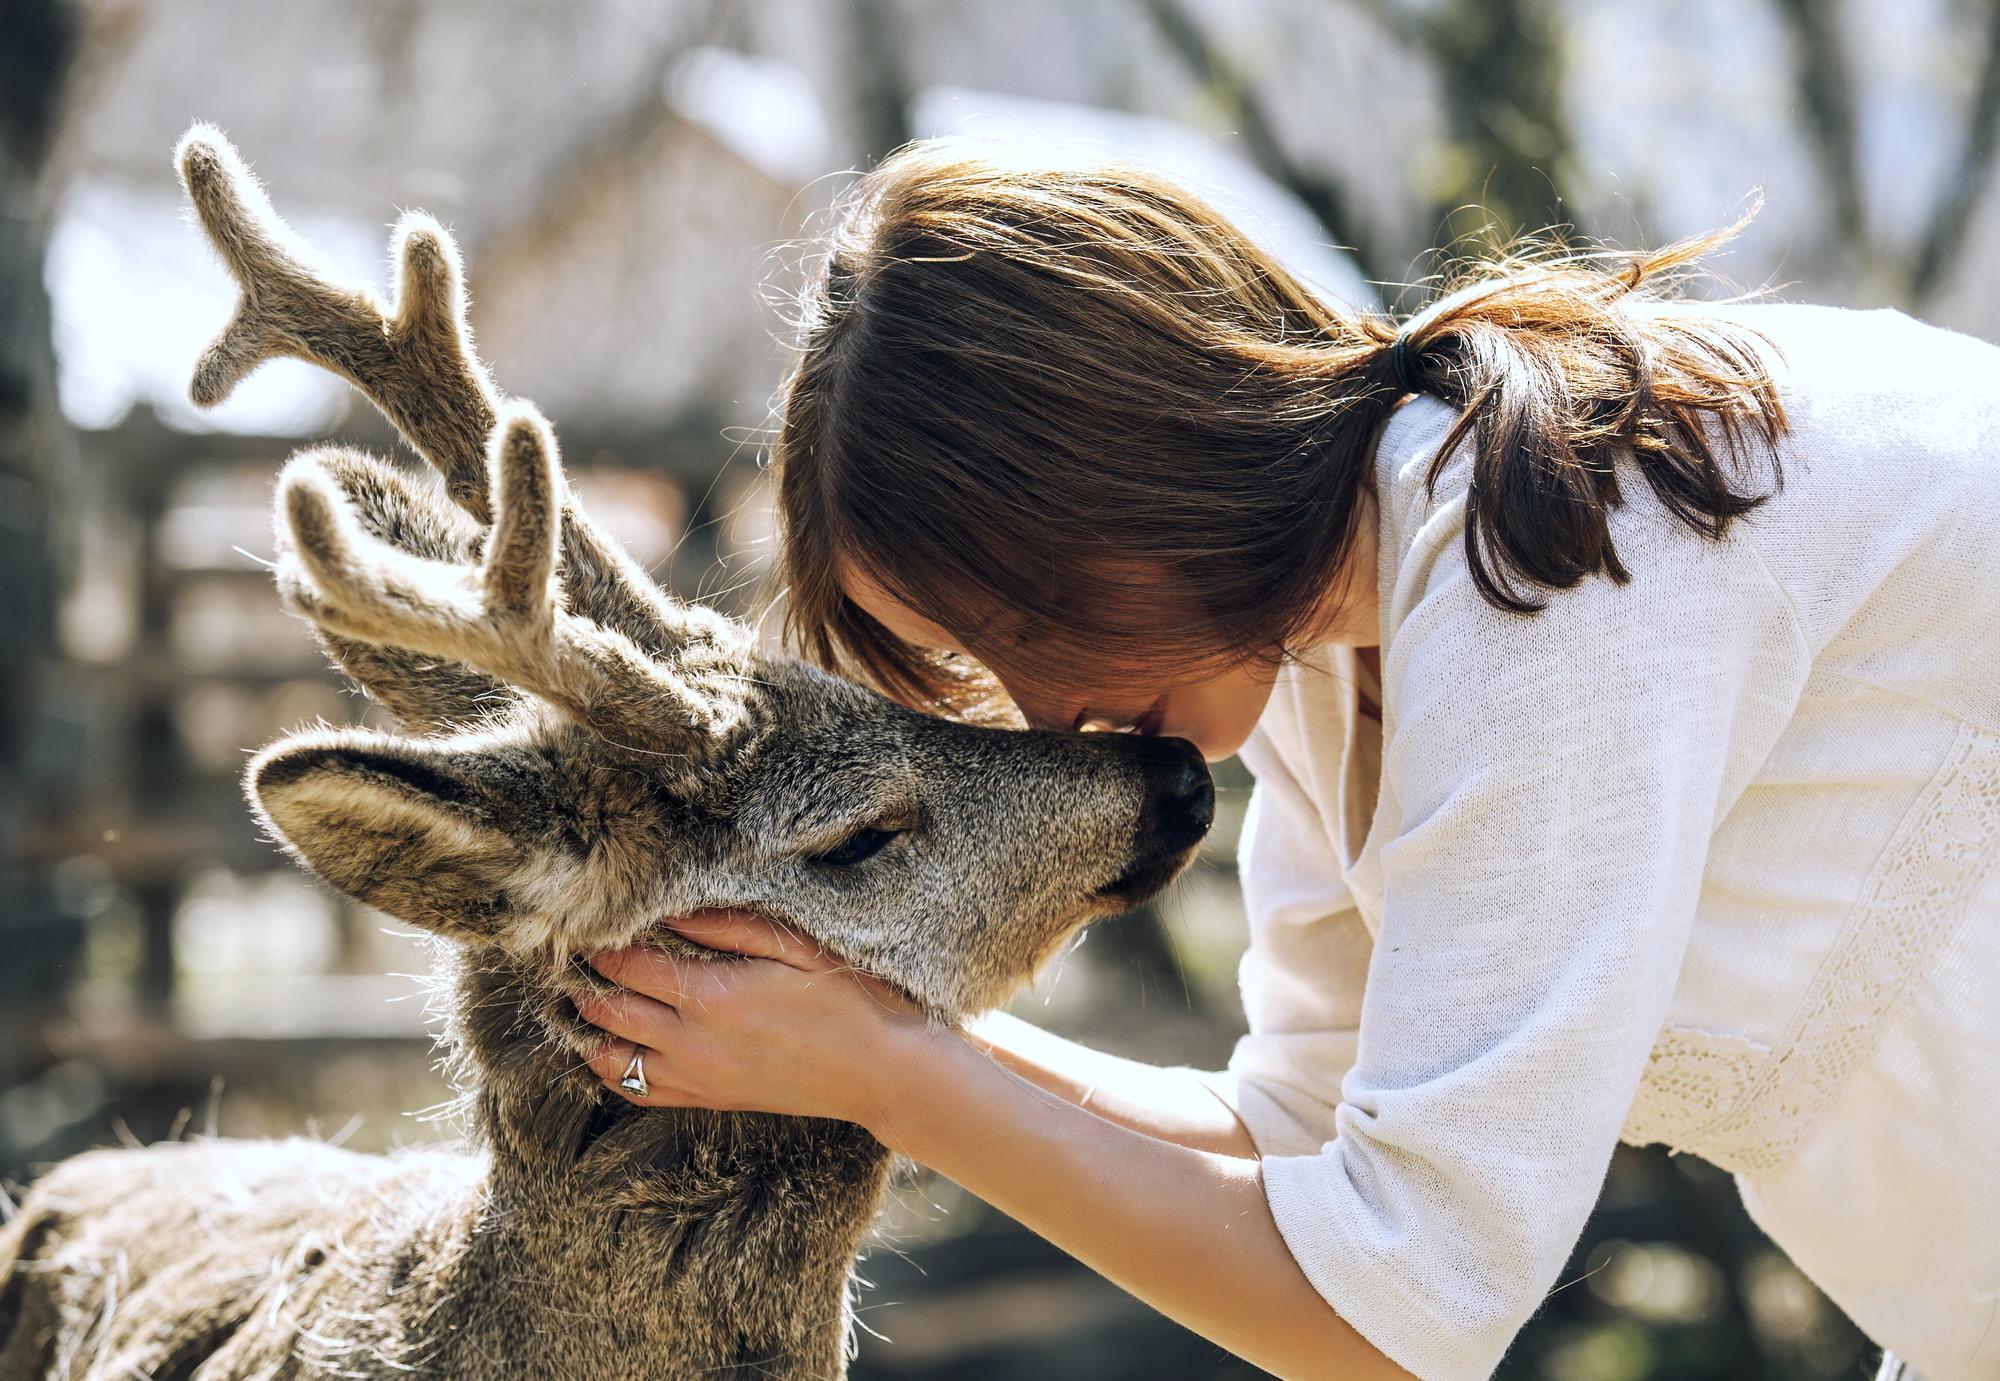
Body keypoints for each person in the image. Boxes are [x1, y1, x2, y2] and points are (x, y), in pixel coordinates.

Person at [575, 139, 2000, 1381]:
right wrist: (851, 1028)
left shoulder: (1553, 552)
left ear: (1123, 470)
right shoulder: (1348, 632)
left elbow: (1394, 1316)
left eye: (1020, 622)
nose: (1039, 708)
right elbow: (1295, 1136)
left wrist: (894, 1073)